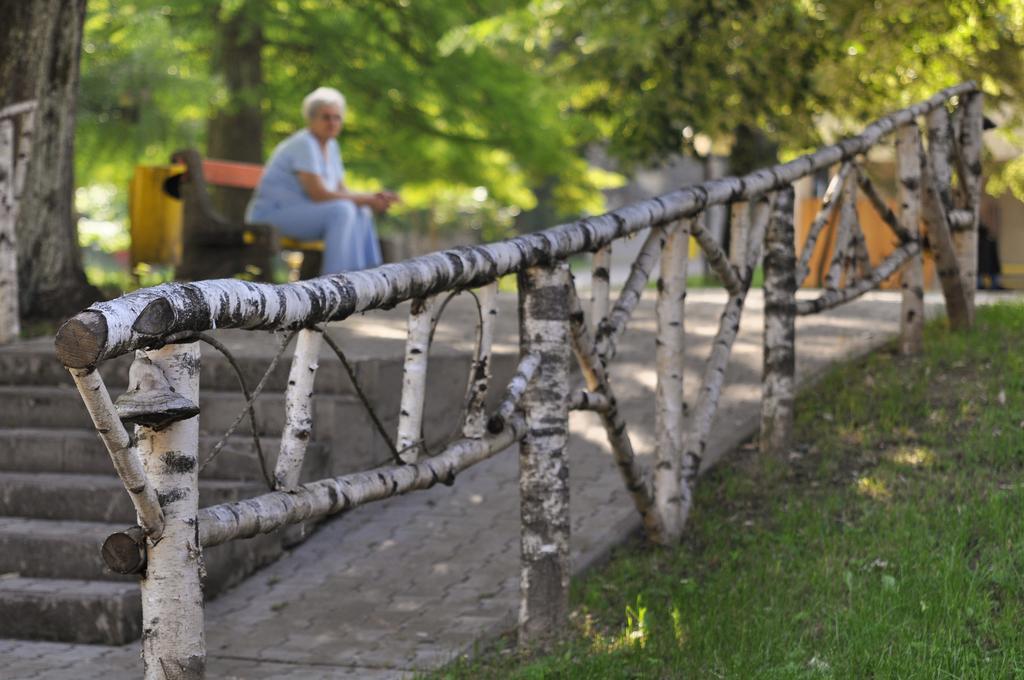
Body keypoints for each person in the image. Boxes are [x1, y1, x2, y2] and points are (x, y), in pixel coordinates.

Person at [246, 86, 399, 275]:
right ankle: (335, 279)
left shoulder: (331, 146)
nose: (332, 122)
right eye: (326, 117)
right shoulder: (304, 144)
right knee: (342, 210)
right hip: (271, 216)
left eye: (337, 117)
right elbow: (319, 194)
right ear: (311, 120)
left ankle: (365, 275)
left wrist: (370, 199)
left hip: (302, 213)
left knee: (361, 210)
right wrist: (368, 198)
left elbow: (342, 190)